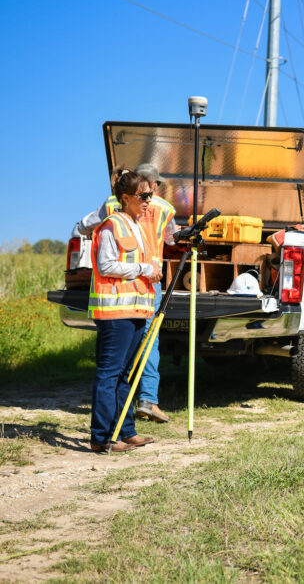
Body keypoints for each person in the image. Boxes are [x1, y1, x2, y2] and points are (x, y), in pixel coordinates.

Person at [75, 163, 177, 423]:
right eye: (152, 189)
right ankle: (147, 400)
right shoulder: (164, 208)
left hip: (124, 288)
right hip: (139, 283)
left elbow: (82, 227)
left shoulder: (109, 206)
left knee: (119, 361)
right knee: (147, 343)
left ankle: (123, 423)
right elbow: (172, 241)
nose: (151, 196)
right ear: (150, 184)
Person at [88, 168, 161, 452]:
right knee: (109, 373)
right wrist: (143, 269)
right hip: (115, 314)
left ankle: (125, 430)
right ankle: (102, 437)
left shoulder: (136, 226)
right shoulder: (111, 226)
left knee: (126, 375)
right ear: (126, 197)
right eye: (144, 196)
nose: (148, 201)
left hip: (136, 311)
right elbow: (105, 265)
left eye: (150, 195)